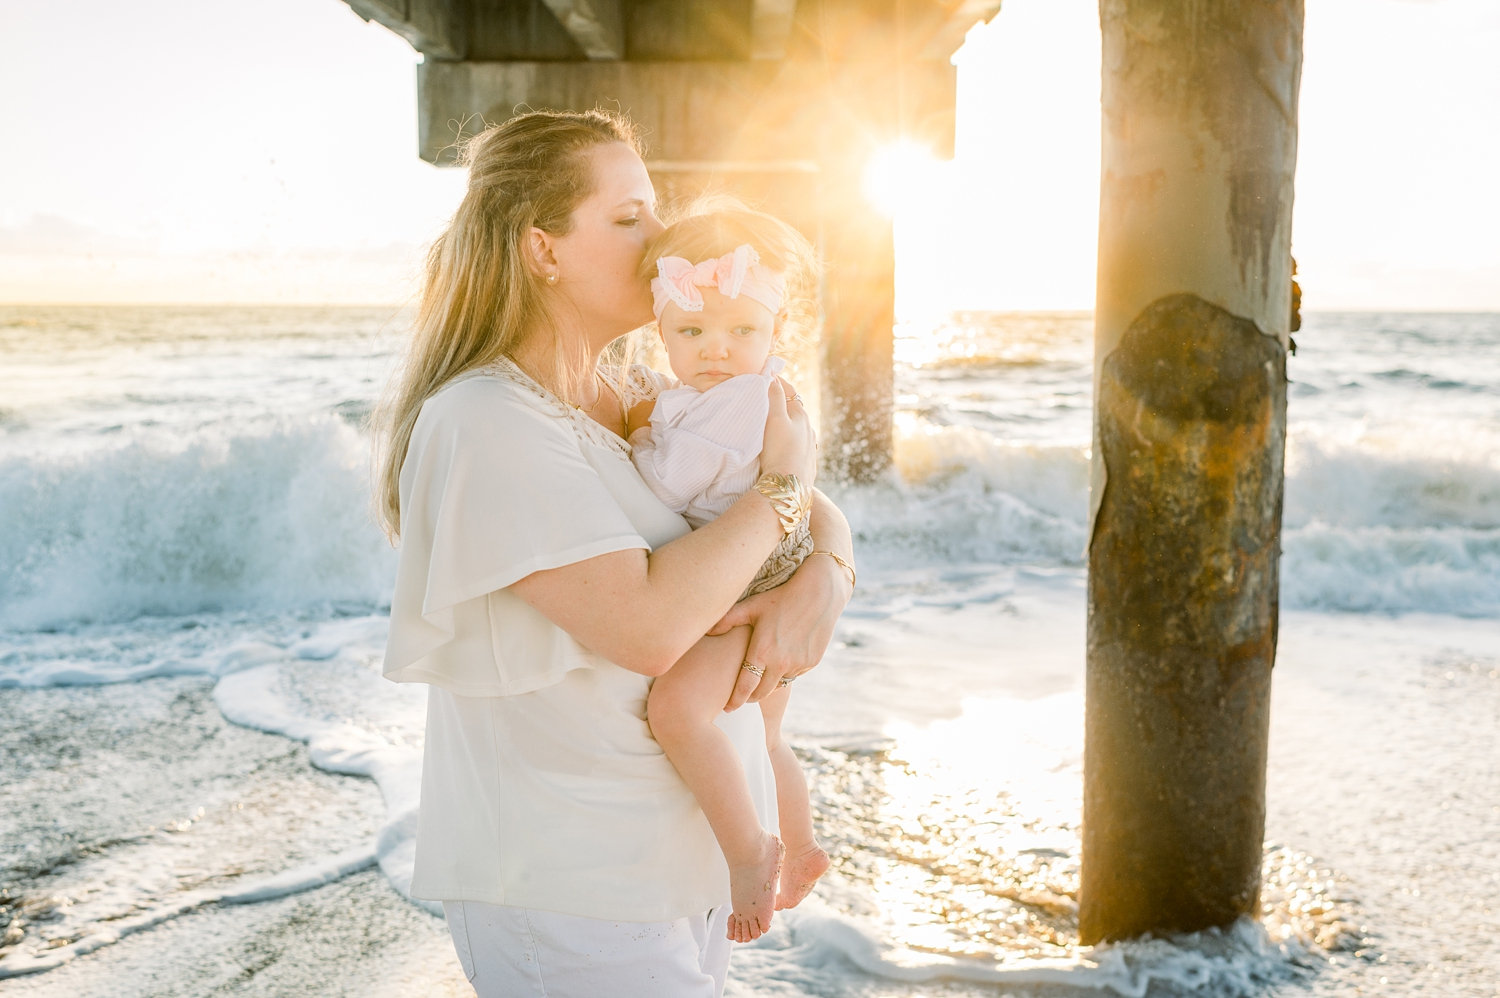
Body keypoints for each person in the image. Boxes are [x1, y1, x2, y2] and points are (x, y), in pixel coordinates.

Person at [372, 108, 855, 998]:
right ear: (543, 249)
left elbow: (797, 494)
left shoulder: (630, 393)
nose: (661, 237)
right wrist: (787, 493)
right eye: (629, 217)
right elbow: (649, 627)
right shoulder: (486, 421)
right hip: (571, 885)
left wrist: (828, 574)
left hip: (675, 869)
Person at [627, 208, 850, 943]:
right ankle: (805, 843)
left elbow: (667, 486)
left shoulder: (741, 402)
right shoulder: (745, 390)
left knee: (676, 712)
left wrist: (635, 440)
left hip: (750, 584)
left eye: (740, 333)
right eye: (692, 333)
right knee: (768, 729)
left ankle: (752, 851)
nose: (716, 351)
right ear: (661, 332)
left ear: (773, 333)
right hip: (766, 565)